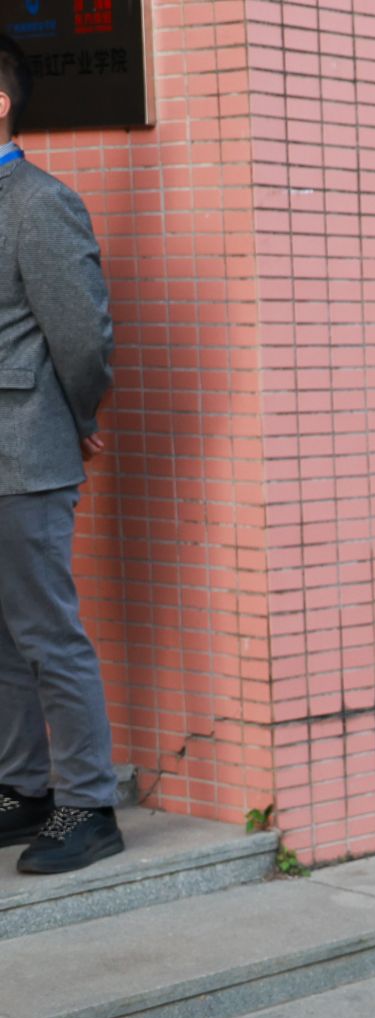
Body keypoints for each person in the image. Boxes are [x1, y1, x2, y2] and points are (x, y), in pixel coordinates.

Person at [0, 35, 123, 875]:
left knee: (47, 633)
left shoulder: (39, 203)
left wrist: (74, 415)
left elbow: (82, 336)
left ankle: (88, 803)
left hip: (24, 448)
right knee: (4, 636)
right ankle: (23, 787)